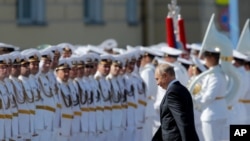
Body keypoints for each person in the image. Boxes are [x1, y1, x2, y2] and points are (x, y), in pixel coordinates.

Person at [152, 63, 199, 141]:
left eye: (157, 79)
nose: (157, 83)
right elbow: (170, 120)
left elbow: (182, 120)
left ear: (165, 76)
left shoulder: (172, 92)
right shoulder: (182, 89)